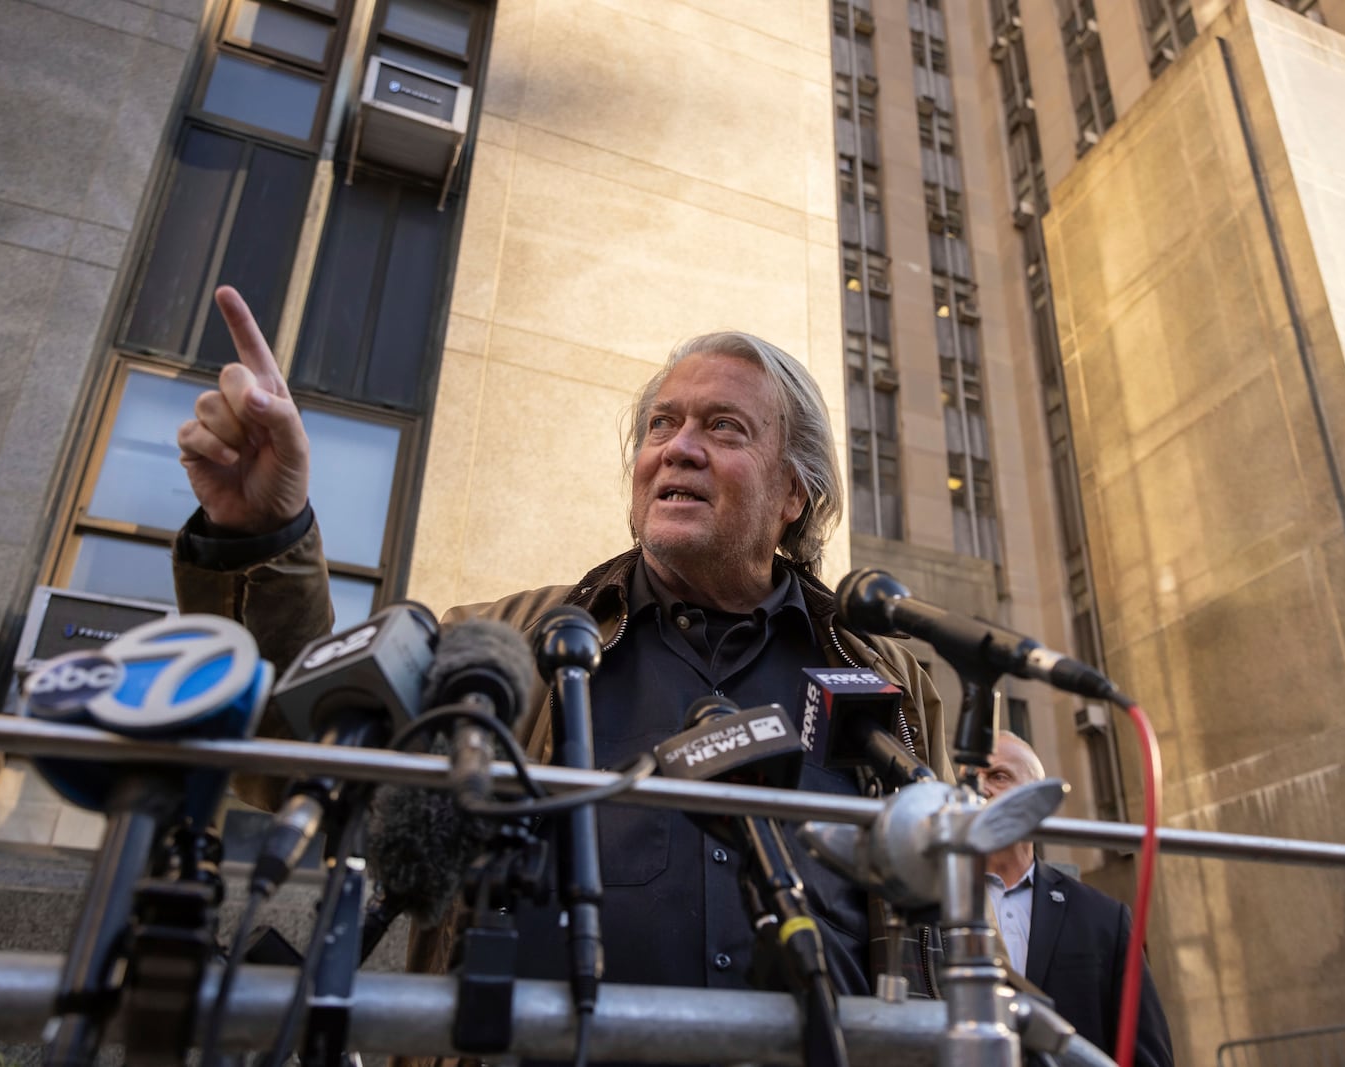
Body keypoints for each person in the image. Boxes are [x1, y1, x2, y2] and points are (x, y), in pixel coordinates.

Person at [172, 287, 955, 1042]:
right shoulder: (503, 644)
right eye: (661, 424)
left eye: (723, 427)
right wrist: (262, 536)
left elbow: (945, 923)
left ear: (793, 491)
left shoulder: (891, 680)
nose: (677, 447)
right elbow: (295, 750)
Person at [979, 730, 1174, 1067]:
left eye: (998, 776)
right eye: (969, 778)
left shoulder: (1103, 919)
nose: (979, 788)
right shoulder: (929, 908)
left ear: (1040, 801)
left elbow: (1148, 1055)